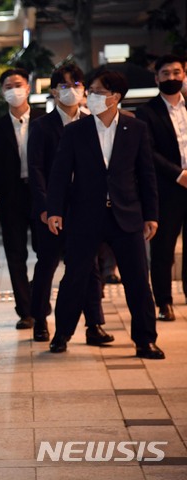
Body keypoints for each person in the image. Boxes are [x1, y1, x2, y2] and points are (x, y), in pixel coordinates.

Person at [46, 70, 165, 359]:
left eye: (99, 92)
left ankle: (145, 340)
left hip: (126, 215)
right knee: (75, 276)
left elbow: (146, 174)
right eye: (92, 91)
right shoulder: (77, 130)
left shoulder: (134, 128)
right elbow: (60, 173)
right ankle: (62, 335)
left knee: (137, 279)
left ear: (115, 97)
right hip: (85, 215)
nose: (92, 96)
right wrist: (55, 211)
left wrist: (151, 215)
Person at [27, 64, 113, 346]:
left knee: (90, 267)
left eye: (77, 84)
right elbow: (36, 169)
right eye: (64, 86)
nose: (72, 90)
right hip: (52, 208)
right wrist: (45, 207)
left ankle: (94, 324)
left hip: (86, 208)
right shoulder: (41, 126)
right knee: (47, 264)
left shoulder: (93, 120)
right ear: (53, 91)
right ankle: (40, 320)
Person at [0, 68, 38, 330]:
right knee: (15, 256)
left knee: (47, 253)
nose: (14, 90)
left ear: (28, 87)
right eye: (8, 86)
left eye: (18, 84)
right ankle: (25, 311)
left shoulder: (44, 121)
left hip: (41, 197)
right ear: (2, 92)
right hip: (9, 199)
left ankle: (38, 302)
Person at [136, 54, 187, 322]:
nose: (172, 78)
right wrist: (179, 175)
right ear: (157, 79)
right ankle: (164, 302)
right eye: (165, 73)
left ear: (184, 74)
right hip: (167, 188)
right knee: (163, 248)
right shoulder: (147, 112)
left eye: (176, 72)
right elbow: (149, 152)